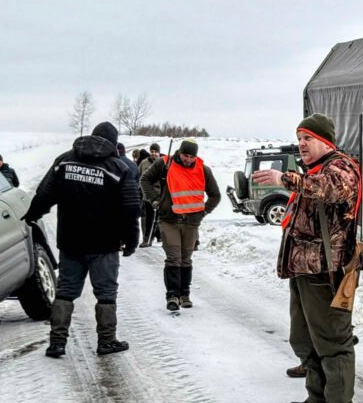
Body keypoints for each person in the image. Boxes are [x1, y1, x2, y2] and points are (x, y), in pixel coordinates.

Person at [254, 114, 361, 403]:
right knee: (304, 338)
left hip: (326, 273)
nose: (301, 144)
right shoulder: (314, 170)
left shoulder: (340, 168)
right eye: (299, 139)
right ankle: (317, 397)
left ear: (325, 142)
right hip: (303, 269)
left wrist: (284, 179)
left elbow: (328, 189)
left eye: (308, 139)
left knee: (331, 340)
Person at [23, 121, 140, 357]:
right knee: (106, 293)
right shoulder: (119, 168)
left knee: (65, 291)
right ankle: (106, 341)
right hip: (105, 244)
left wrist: (33, 215)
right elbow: (130, 208)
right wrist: (131, 239)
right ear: (113, 143)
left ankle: (57, 342)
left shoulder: (64, 161)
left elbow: (45, 193)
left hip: (71, 241)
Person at [140, 138, 221, 310]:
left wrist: (204, 211)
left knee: (185, 259)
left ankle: (184, 294)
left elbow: (215, 195)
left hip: (191, 222)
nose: (188, 160)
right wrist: (154, 200)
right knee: (174, 257)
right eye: (186, 155)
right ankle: (172, 296)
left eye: (192, 157)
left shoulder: (203, 170)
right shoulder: (165, 164)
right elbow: (145, 180)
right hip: (168, 219)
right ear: (180, 152)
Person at [138, 143, 162, 246]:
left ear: (159, 152)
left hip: (159, 195)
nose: (154, 153)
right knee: (147, 219)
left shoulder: (163, 163)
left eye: (156, 152)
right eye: (152, 151)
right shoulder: (144, 163)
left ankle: (159, 236)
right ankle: (146, 239)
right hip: (147, 196)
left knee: (159, 219)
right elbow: (139, 176)